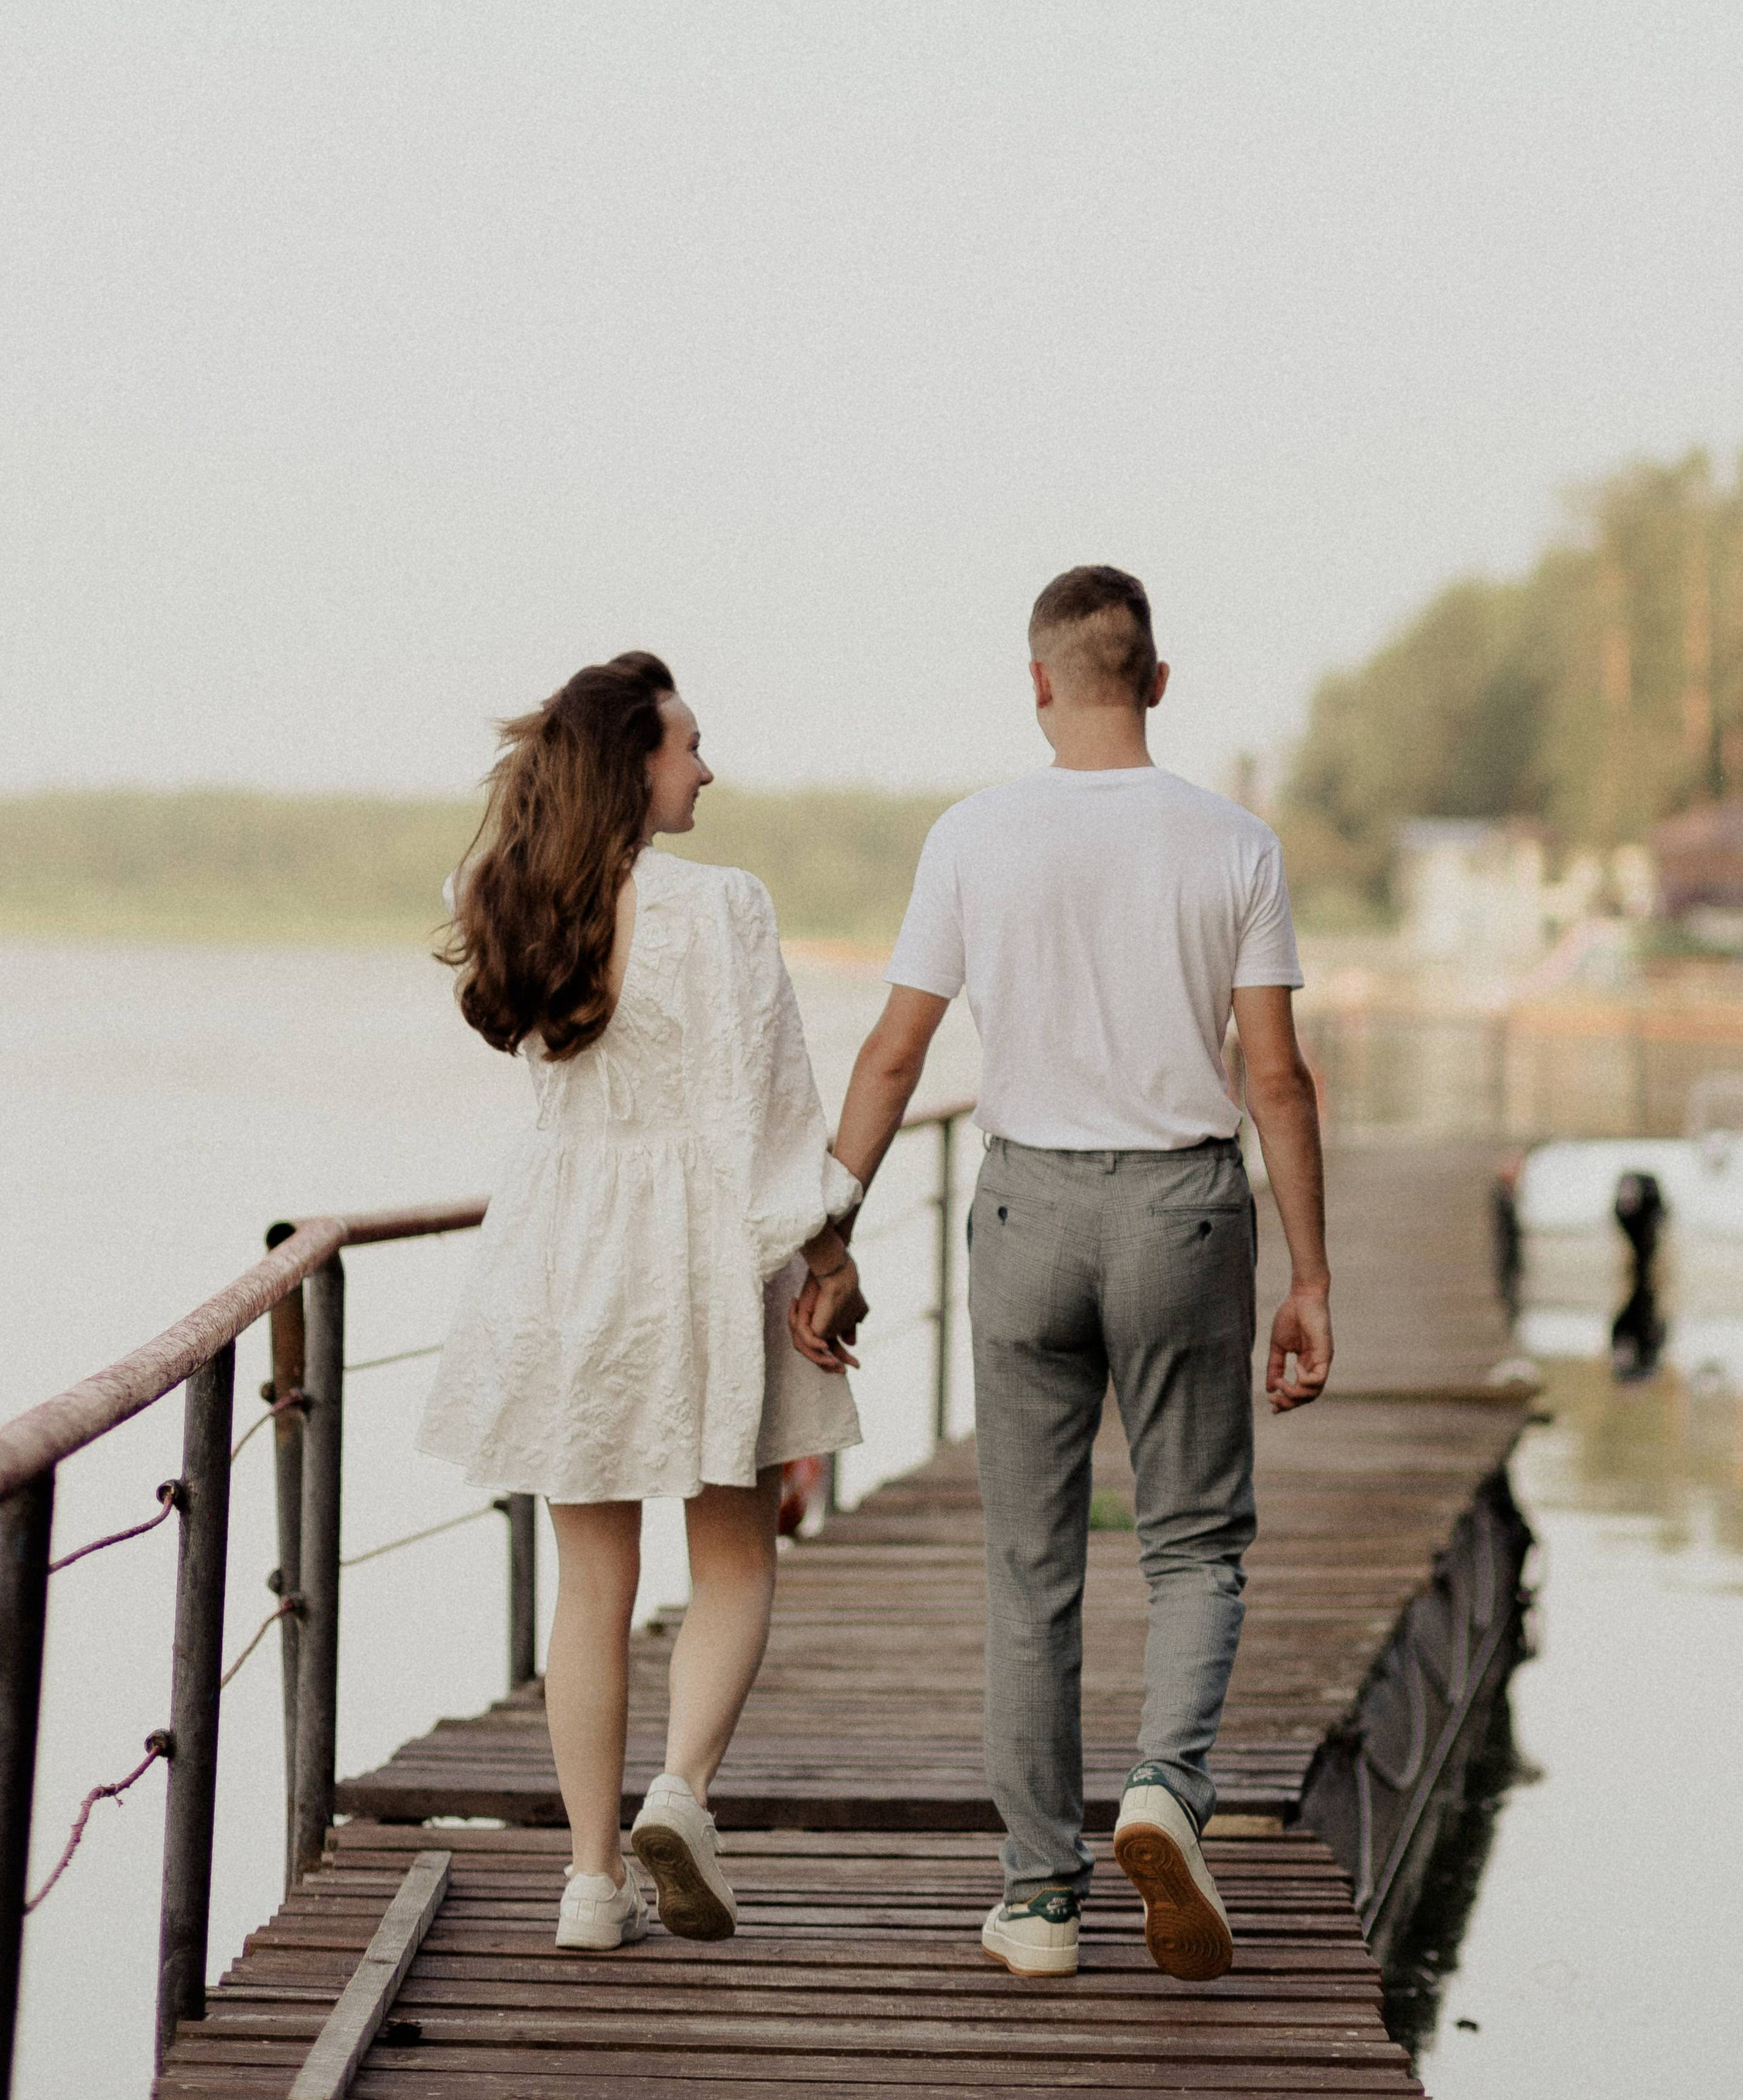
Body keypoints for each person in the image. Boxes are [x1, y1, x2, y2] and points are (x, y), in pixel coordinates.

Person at [792, 565, 1331, 1985]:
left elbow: (896, 1055)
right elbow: (1276, 1075)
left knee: (1031, 1567)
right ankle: (1164, 1788)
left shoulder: (975, 834)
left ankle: (1037, 1901)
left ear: (1039, 683)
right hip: (1183, 1213)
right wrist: (1313, 1278)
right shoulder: (1236, 844)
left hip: (1026, 1207)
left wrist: (831, 1225)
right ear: (1158, 678)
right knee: (1194, 1538)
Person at [419, 652, 863, 1951]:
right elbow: (772, 1105)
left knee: (589, 1576)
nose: (707, 769)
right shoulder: (720, 906)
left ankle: (589, 1881)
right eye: (689, 745)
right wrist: (827, 1251)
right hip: (702, 1249)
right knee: (731, 1554)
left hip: (562, 1252)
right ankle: (681, 1791)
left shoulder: (506, 894)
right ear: (636, 758)